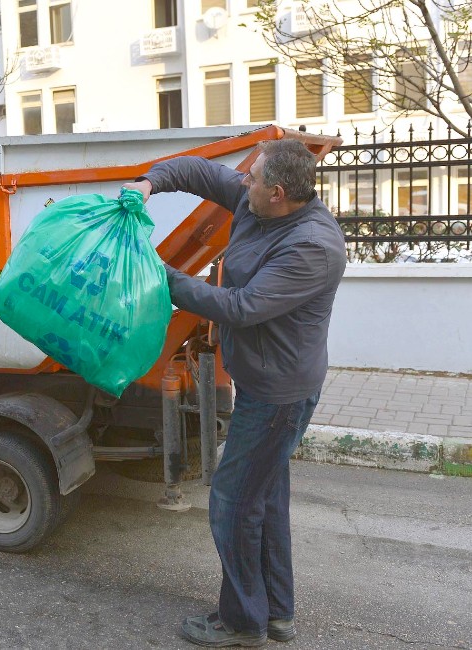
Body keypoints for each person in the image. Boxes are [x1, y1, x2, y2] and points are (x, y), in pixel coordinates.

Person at [122, 139, 347, 647]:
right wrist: (149, 181)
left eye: (253, 180)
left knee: (232, 500)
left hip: (279, 396)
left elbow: (241, 306)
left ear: (280, 192)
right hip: (265, 384)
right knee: (262, 498)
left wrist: (161, 276)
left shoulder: (312, 246)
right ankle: (275, 613)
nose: (243, 184)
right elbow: (197, 172)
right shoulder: (257, 198)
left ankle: (243, 621)